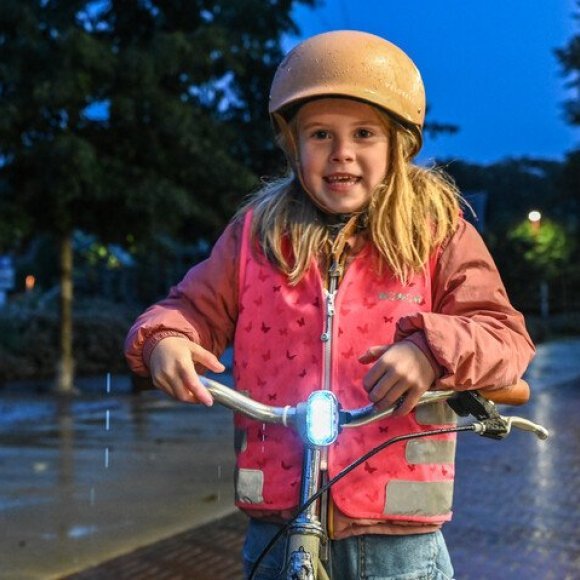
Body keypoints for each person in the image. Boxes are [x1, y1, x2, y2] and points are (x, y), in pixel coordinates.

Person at [125, 30, 534, 579]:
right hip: (278, 519)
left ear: (399, 144)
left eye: (364, 133)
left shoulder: (435, 231)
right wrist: (166, 339)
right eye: (320, 134)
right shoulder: (256, 235)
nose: (342, 152)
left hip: (397, 537)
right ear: (293, 145)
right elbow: (191, 307)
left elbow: (503, 335)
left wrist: (431, 350)